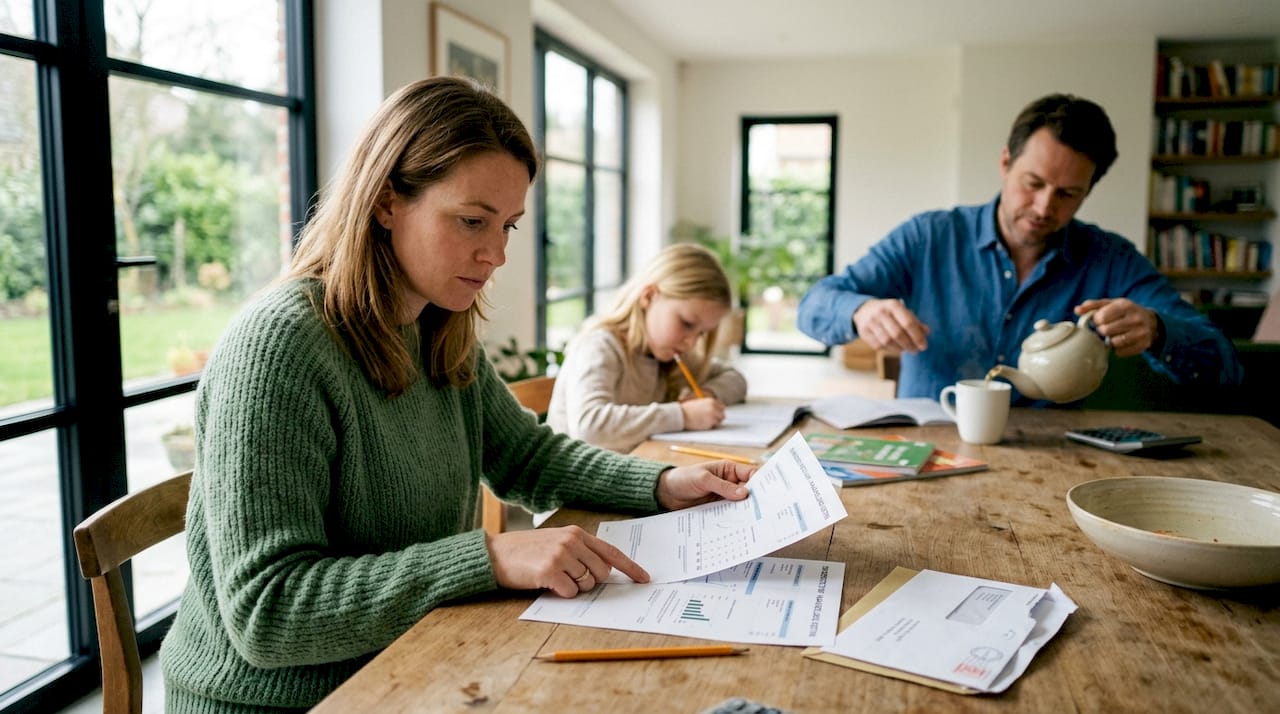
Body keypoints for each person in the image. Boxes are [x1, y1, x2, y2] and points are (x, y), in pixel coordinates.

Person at [158, 77, 754, 713]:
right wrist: (490, 558)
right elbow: (267, 613)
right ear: (387, 201)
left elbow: (527, 456)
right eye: (472, 221)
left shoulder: (439, 325)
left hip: (415, 657)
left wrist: (660, 485)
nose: (495, 253)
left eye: (509, 226)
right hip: (282, 699)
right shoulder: (280, 346)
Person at [797, 93, 1243, 405]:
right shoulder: (929, 236)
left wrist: (1159, 329)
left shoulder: (1111, 259)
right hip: (933, 446)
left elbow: (1226, 370)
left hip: (1058, 461)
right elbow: (813, 307)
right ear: (1006, 162)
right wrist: (860, 311)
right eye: (1033, 183)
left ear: (1089, 190)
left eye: (1068, 193)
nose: (1045, 206)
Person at [546, 243, 749, 453]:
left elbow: (735, 379)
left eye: (701, 333)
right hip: (575, 481)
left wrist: (706, 394)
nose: (691, 342)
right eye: (687, 323)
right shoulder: (599, 346)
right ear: (649, 297)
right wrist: (684, 415)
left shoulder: (670, 353)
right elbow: (590, 426)